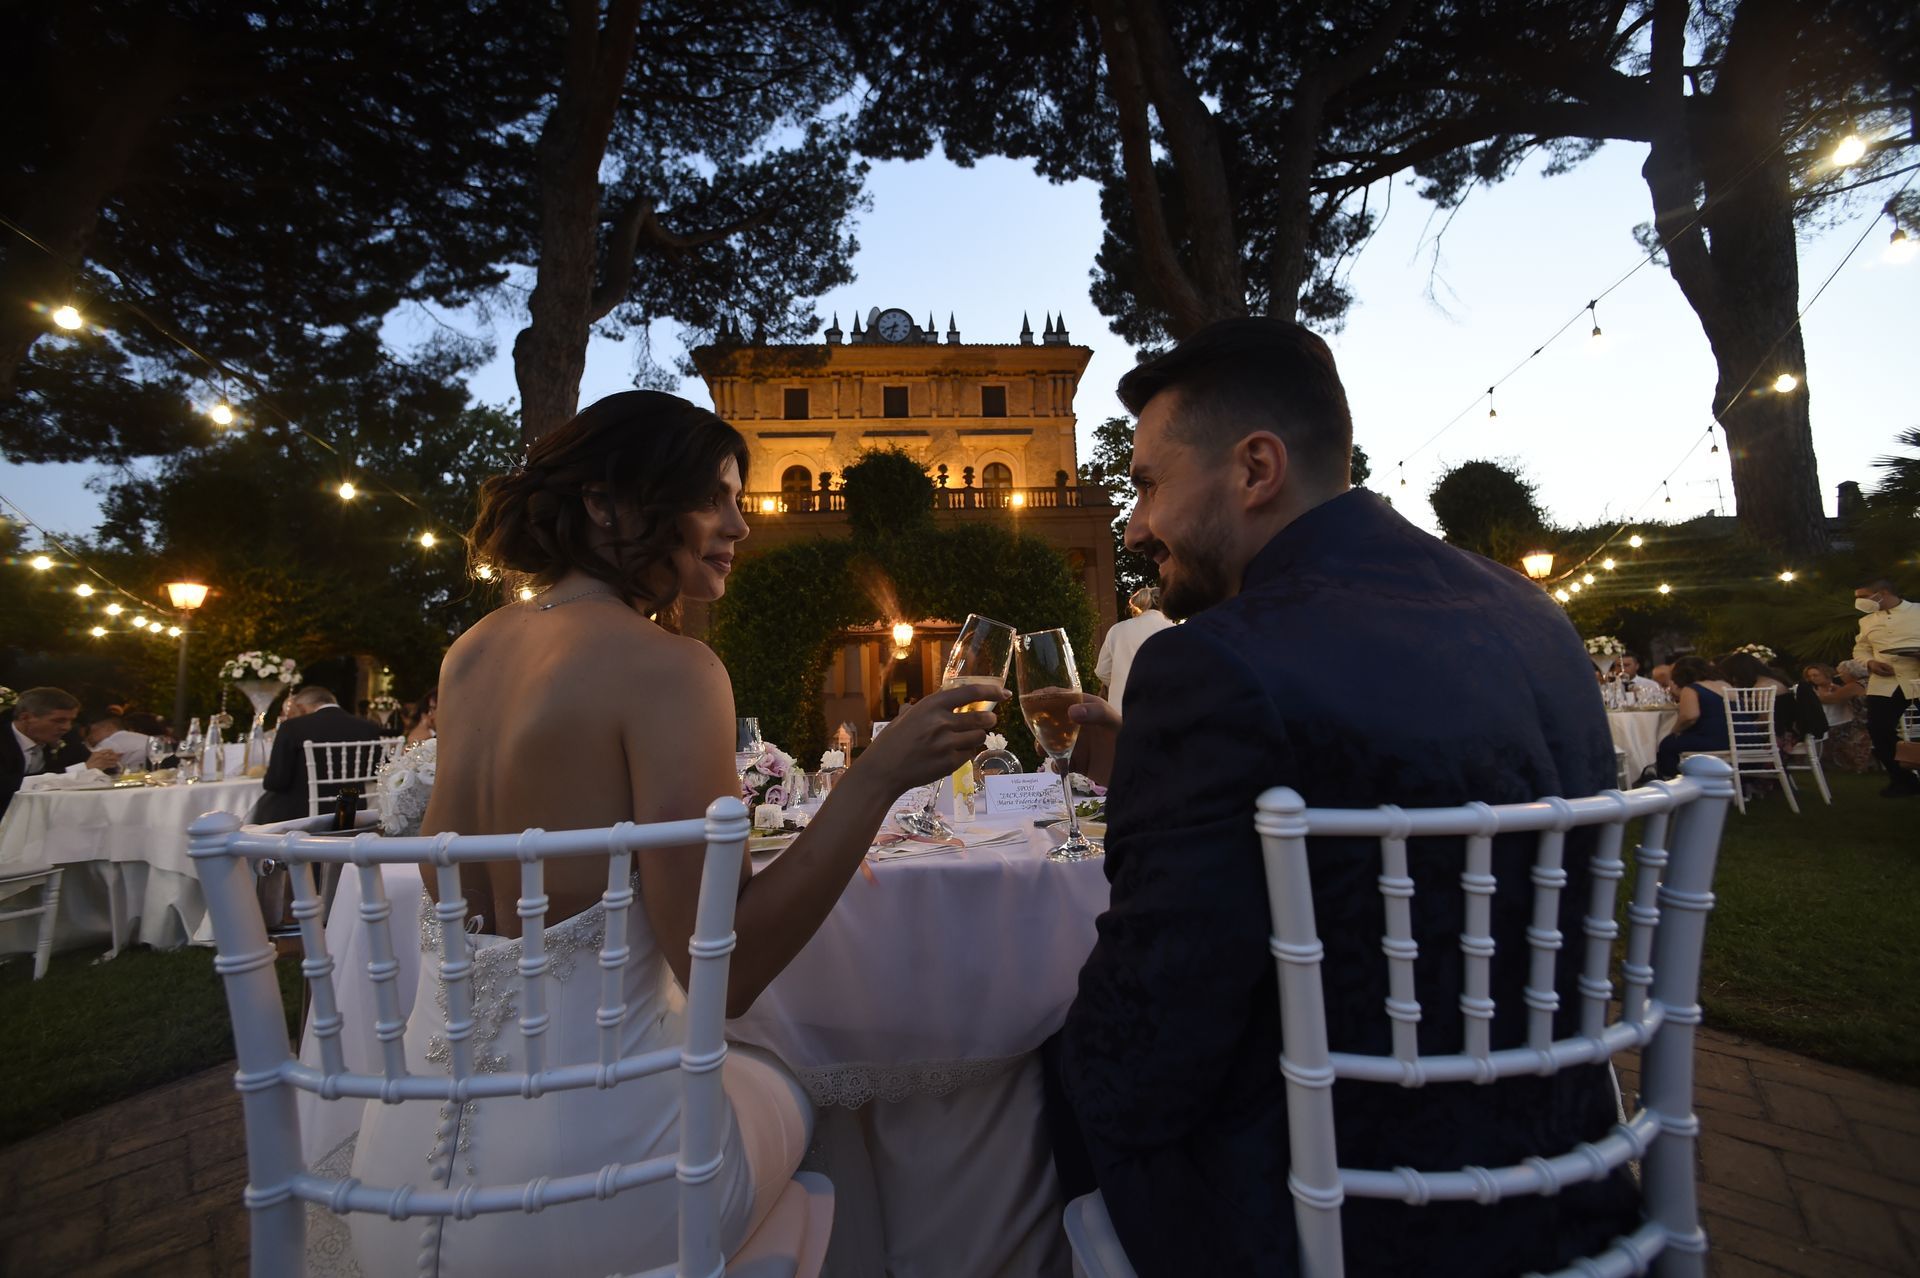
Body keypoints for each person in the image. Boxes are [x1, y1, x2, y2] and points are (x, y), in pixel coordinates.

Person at [346, 391, 1000, 1277]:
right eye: (716, 498)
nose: (742, 523)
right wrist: (878, 778)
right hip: (601, 1192)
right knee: (825, 1088)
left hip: (395, 1182)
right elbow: (719, 973)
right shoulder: (671, 668)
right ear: (607, 502)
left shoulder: (472, 651)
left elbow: (448, 884)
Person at [1047, 319, 1635, 1276]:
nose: (1134, 526)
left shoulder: (1210, 663)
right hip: (1573, 1174)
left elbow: (1142, 1053)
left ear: (1255, 468)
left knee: (1050, 1069)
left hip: (1343, 1213)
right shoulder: (1535, 618)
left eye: (1149, 485)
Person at [251, 686, 392, 825]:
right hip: (350, 811)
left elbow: (276, 782)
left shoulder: (292, 727)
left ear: (301, 708)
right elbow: (380, 772)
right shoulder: (366, 727)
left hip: (299, 816)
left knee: (264, 803)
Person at [1851, 577, 1920, 795]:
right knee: (1879, 729)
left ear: (1882, 593)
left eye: (1863, 597)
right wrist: (1870, 662)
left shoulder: (1917, 611)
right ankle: (1902, 779)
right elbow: (1860, 650)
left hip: (1916, 676)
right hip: (1885, 682)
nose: (1859, 602)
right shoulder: (1867, 621)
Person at [3, 687, 117, 817]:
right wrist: (79, 770)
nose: (66, 727)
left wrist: (107, 761)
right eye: (59, 720)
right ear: (26, 718)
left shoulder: (67, 738)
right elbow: (7, 785)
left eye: (71, 721)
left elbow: (101, 769)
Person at [1094, 584, 1176, 710]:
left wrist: (1121, 682)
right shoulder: (1174, 631)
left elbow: (1102, 670)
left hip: (1120, 712)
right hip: (1162, 711)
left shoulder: (1117, 630)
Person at [1652, 656, 1733, 780]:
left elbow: (1690, 716)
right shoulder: (1726, 685)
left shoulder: (1692, 688)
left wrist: (1675, 731)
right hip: (1738, 736)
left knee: (1667, 744)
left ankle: (1675, 781)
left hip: (1716, 739)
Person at [1801, 662, 1874, 773]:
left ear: (1850, 674)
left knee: (1828, 730)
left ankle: (1835, 763)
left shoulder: (1855, 685)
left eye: (1841, 674)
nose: (1841, 677)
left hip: (1861, 723)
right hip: (1870, 720)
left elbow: (1829, 699)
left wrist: (1811, 695)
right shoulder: (1868, 682)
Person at [83, 715, 152, 772]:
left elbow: (91, 765)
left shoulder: (109, 743)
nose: (89, 736)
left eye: (93, 731)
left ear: (108, 727)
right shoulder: (142, 737)